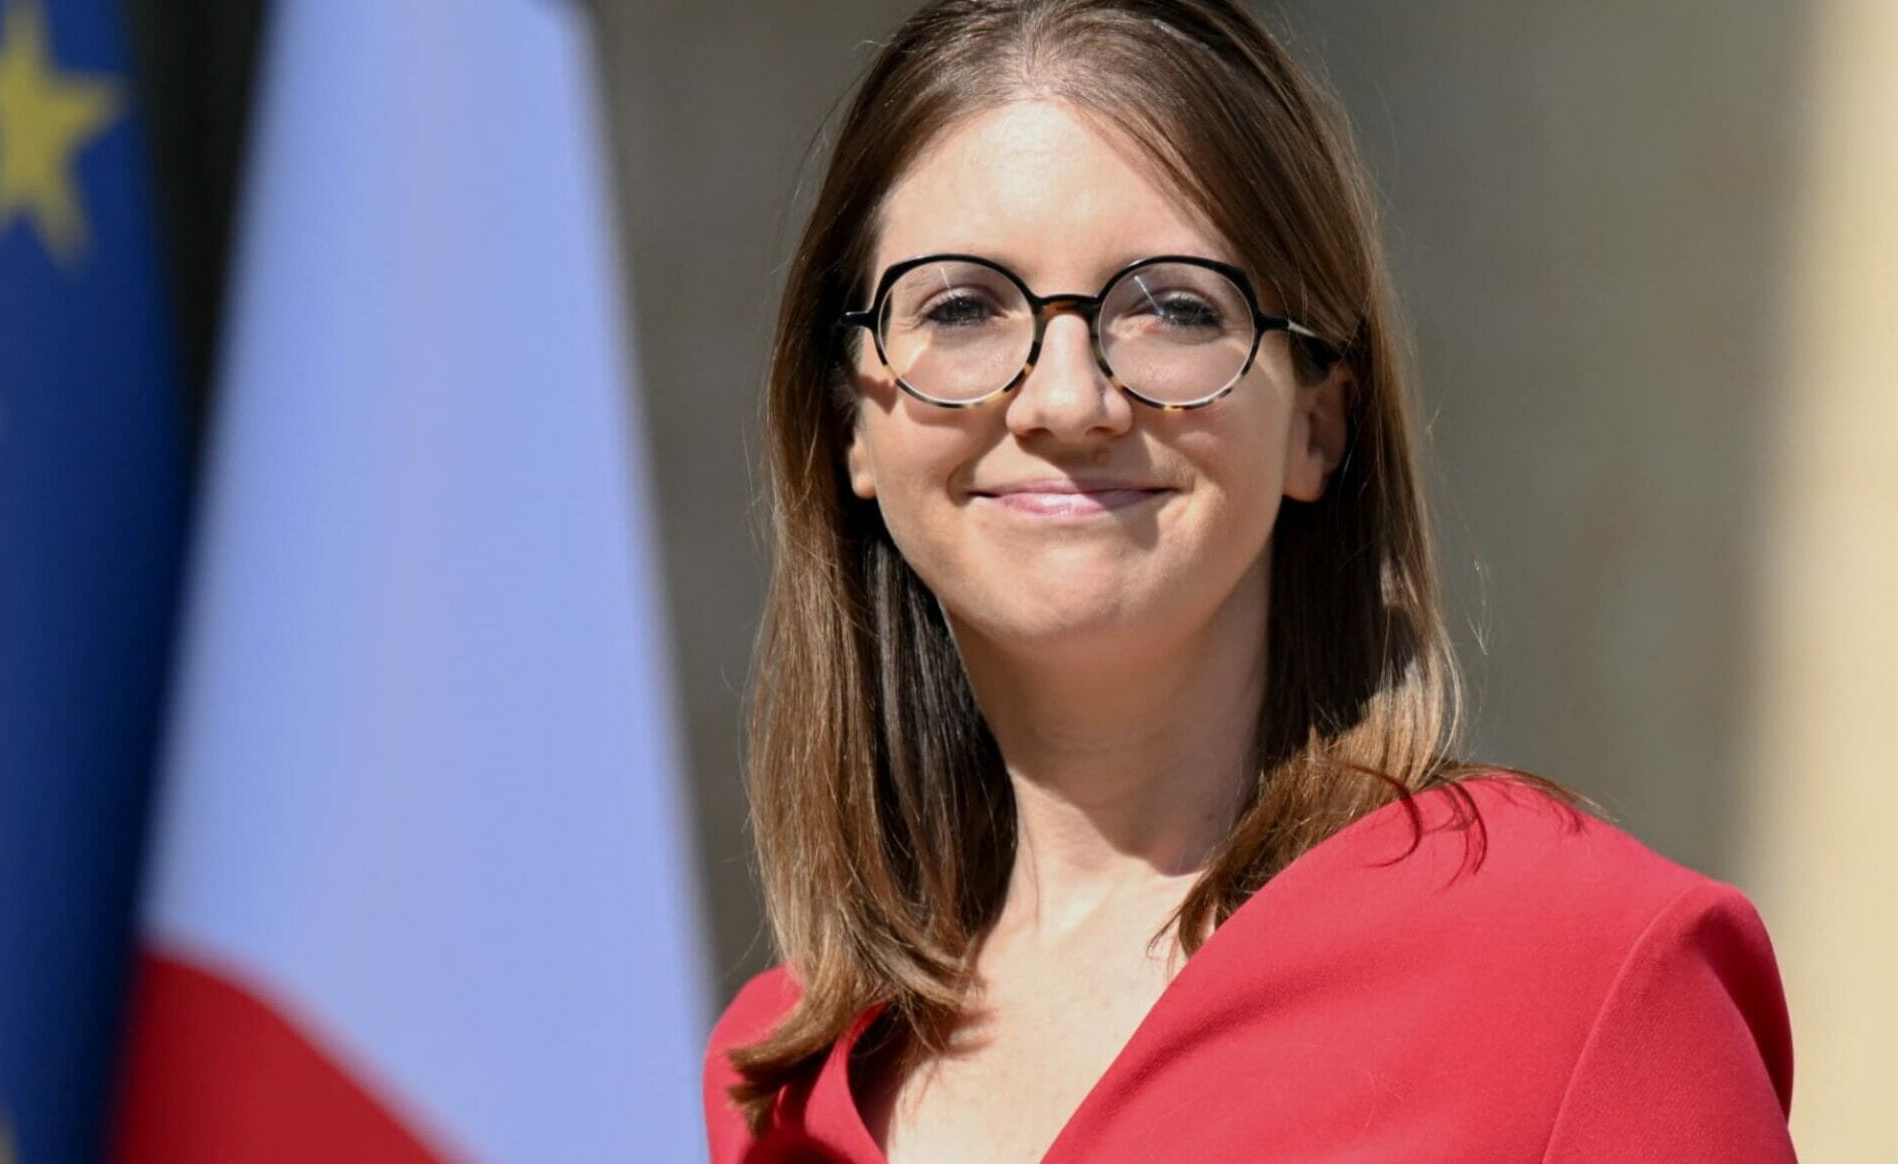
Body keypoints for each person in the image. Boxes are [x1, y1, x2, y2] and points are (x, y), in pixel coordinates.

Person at [704, 1, 1796, 1159]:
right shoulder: (778, 1086)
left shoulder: (1582, 964)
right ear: (850, 422)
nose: (1067, 401)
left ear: (1319, 424)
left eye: (1174, 308)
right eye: (962, 306)